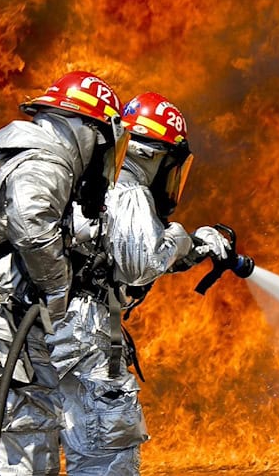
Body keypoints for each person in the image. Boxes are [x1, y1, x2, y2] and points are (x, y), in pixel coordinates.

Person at [0, 70, 128, 476]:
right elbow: (31, 224)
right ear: (86, 130)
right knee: (19, 453)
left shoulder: (6, 150)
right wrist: (57, 290)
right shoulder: (47, 159)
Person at [48, 92, 230, 475]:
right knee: (106, 452)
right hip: (84, 331)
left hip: (49, 326)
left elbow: (113, 252)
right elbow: (140, 264)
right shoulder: (129, 187)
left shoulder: (92, 180)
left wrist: (195, 249)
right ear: (157, 154)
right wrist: (181, 236)